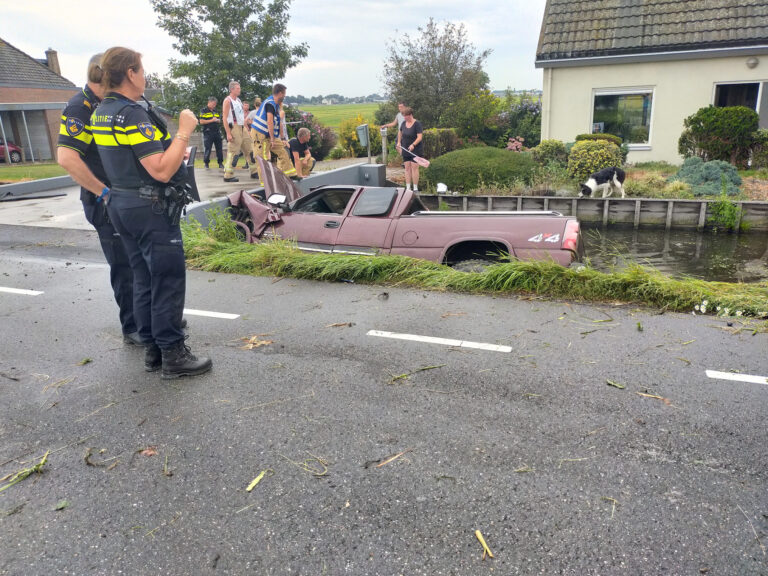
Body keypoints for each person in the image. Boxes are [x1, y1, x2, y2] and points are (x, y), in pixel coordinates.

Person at [91, 46, 212, 379]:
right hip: (149, 207)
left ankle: (153, 350)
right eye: (142, 70)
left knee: (143, 277)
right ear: (130, 73)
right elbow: (159, 168)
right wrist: (184, 131)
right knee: (168, 279)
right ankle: (174, 354)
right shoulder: (132, 115)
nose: (145, 76)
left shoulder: (103, 111)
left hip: (121, 203)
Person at [57, 53, 139, 346]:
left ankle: (148, 318)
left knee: (138, 261)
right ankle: (133, 327)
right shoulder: (81, 107)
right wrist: (101, 190)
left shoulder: (108, 105)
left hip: (124, 198)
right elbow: (66, 157)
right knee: (124, 265)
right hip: (105, 202)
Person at [251, 83, 296, 184]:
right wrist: (272, 139)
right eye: (284, 94)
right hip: (261, 135)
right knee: (262, 158)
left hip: (270, 135)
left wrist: (282, 138)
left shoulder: (276, 105)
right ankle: (266, 183)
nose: (284, 96)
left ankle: (290, 174)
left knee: (282, 151)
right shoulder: (270, 104)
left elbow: (278, 123)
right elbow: (270, 121)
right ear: (280, 93)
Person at [221, 81, 257, 182]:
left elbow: (241, 115)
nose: (239, 90)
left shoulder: (239, 100)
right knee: (233, 152)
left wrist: (246, 129)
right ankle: (228, 175)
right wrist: (228, 133)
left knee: (249, 149)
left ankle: (254, 171)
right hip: (234, 127)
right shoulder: (227, 101)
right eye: (237, 88)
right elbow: (224, 118)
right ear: (232, 89)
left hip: (242, 127)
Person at [397, 107, 424, 192]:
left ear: (410, 115)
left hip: (415, 149)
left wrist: (413, 145)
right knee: (407, 168)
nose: (404, 118)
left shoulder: (417, 124)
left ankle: (415, 188)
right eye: (404, 116)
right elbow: (400, 132)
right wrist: (398, 142)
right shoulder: (403, 123)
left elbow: (420, 137)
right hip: (405, 149)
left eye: (405, 116)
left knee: (414, 168)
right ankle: (408, 188)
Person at [198, 96, 224, 169]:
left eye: (215, 104)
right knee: (208, 148)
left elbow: (219, 119)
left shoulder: (215, 111)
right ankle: (206, 163)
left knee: (219, 148)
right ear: (209, 102)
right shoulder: (203, 110)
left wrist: (218, 120)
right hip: (208, 132)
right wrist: (212, 120)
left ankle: (220, 163)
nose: (214, 105)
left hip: (217, 132)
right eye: (213, 104)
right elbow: (201, 121)